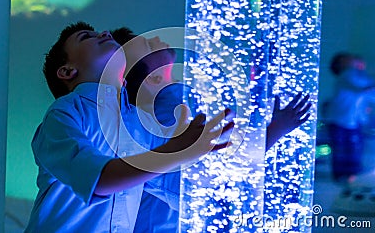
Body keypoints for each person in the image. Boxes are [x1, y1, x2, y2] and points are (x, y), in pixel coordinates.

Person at [24, 21, 235, 232]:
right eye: (86, 37)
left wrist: (199, 150)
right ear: (67, 71)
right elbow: (99, 180)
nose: (104, 32)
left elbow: (179, 188)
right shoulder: (64, 112)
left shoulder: (140, 122)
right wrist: (175, 150)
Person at [112, 27, 312, 232]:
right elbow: (206, 175)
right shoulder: (168, 112)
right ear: (153, 78)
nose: (155, 37)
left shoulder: (166, 106)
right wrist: (275, 130)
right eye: (149, 45)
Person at [324, 51, 375, 182]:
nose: (352, 58)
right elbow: (361, 90)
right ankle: (344, 175)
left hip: (349, 120)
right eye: (348, 58)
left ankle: (348, 175)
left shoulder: (355, 76)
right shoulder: (345, 76)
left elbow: (368, 92)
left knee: (350, 146)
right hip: (340, 120)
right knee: (343, 147)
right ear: (342, 63)